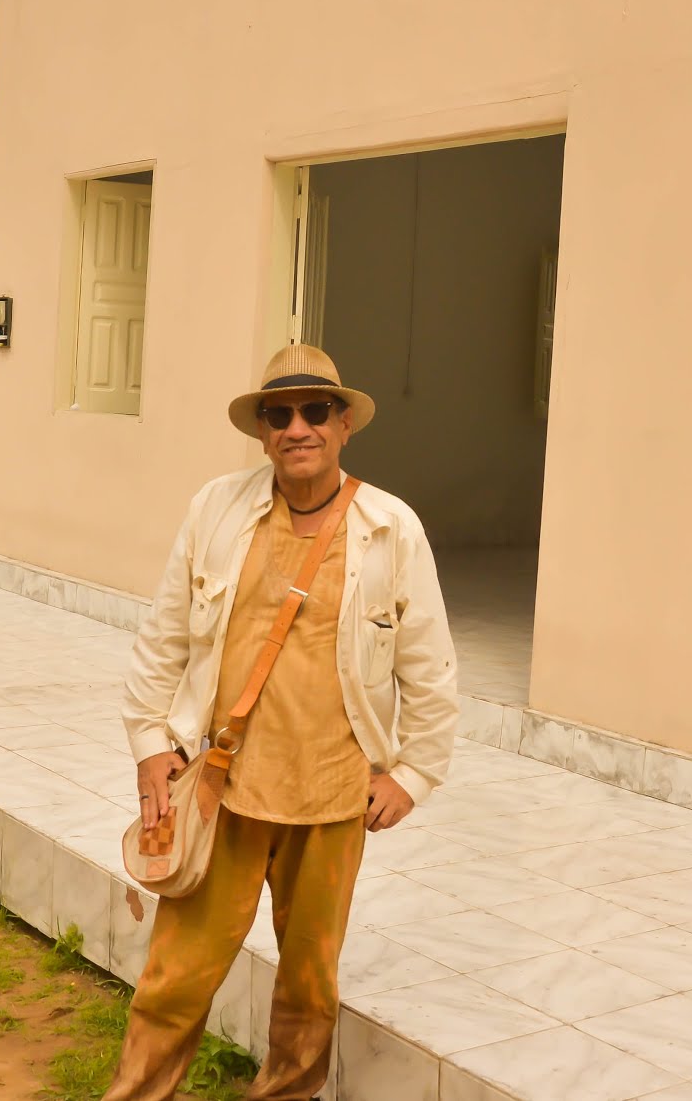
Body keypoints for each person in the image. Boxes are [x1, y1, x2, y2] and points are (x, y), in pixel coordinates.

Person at [103, 343, 459, 1101]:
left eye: (315, 410)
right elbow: (163, 635)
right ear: (263, 430)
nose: (298, 427)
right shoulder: (217, 509)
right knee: (174, 978)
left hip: (333, 798)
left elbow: (430, 666)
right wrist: (149, 745)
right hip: (224, 791)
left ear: (344, 423)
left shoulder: (390, 528)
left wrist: (414, 773)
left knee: (308, 987)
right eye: (280, 413)